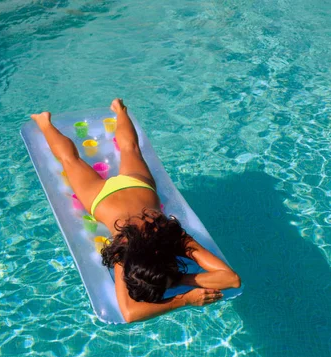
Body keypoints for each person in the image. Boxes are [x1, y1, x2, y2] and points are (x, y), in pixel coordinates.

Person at [31, 99, 241, 322]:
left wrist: (180, 284)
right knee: (95, 155)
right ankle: (115, 111)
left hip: (134, 187)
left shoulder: (155, 242)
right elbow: (130, 312)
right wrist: (182, 289)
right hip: (103, 198)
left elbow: (232, 280)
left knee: (77, 158)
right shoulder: (138, 247)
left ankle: (51, 121)